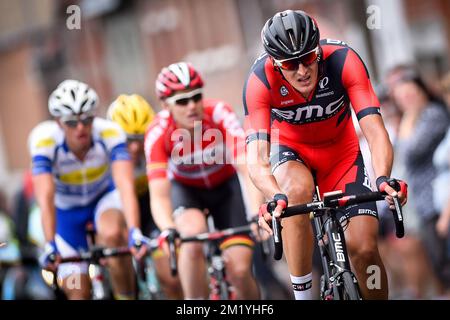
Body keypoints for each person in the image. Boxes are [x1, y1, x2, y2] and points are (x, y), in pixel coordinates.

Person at [243, 10, 407, 300]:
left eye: (308, 58)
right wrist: (273, 195)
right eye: (291, 64)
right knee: (294, 192)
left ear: (318, 50)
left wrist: (383, 177)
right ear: (274, 64)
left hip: (341, 155)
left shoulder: (343, 59)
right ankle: (303, 296)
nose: (302, 71)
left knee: (366, 248)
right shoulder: (259, 80)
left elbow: (375, 131)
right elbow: (256, 157)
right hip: (292, 153)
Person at [145, 62, 262, 299]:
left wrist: (256, 210)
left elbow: (248, 168)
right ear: (165, 105)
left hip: (225, 189)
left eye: (196, 97)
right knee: (191, 235)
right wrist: (168, 228)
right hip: (188, 192)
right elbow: (158, 195)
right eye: (182, 101)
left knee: (239, 270)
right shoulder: (158, 131)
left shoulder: (219, 114)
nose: (192, 106)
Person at [28, 79, 146, 299]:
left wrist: (134, 232)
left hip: (103, 200)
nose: (80, 127)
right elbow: (45, 197)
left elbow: (125, 186)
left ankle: (127, 295)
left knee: (112, 234)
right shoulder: (43, 140)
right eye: (72, 122)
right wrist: (50, 243)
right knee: (77, 291)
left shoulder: (110, 133)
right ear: (58, 122)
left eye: (87, 120)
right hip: (66, 215)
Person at [107, 94, 183, 299]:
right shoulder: (104, 153)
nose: (134, 147)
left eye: (140, 139)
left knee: (172, 279)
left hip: (151, 209)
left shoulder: (157, 147)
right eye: (127, 140)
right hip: (121, 213)